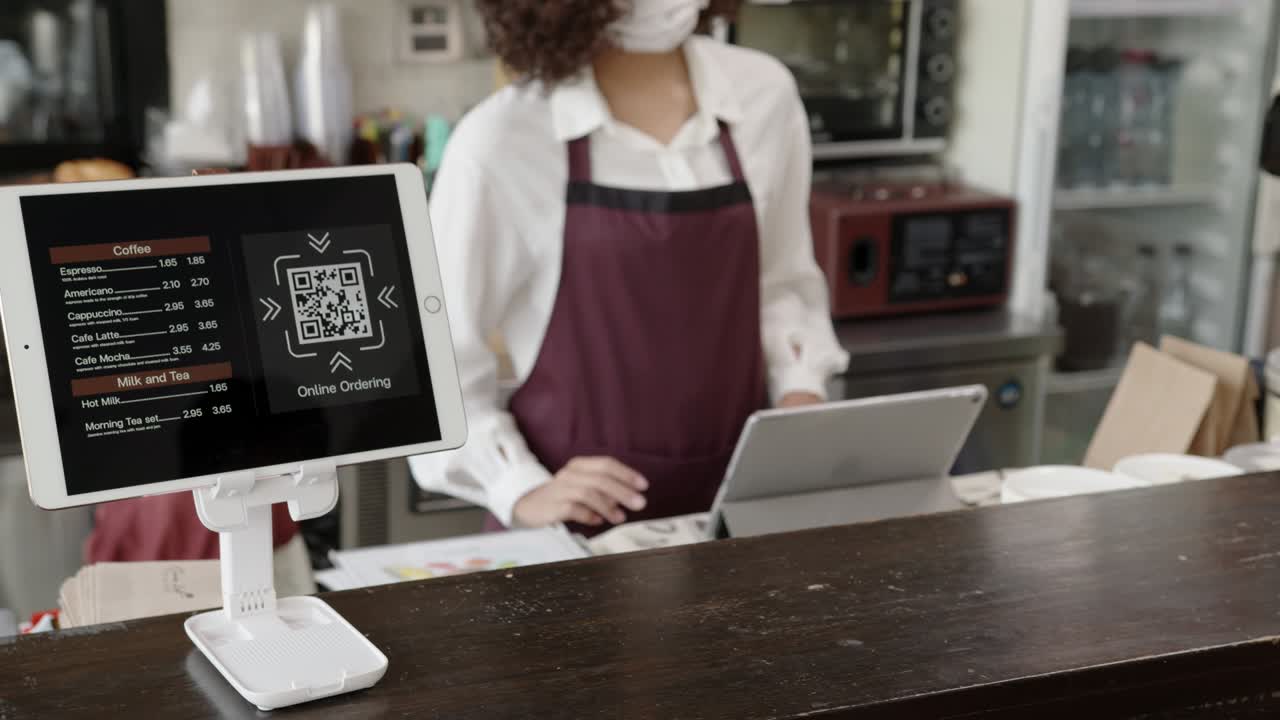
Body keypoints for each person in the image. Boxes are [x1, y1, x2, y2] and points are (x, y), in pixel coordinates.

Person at [410, 0, 848, 535]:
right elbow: (436, 359)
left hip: (736, 519)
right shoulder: (502, 139)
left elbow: (782, 284)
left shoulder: (763, 96)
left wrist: (800, 391)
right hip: (577, 537)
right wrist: (517, 484)